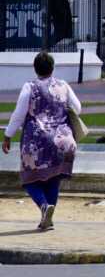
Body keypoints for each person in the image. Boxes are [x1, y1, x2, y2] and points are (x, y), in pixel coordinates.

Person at [3, 51, 81, 232]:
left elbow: (19, 114)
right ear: (52, 68)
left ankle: (44, 206)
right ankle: (47, 218)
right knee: (54, 178)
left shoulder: (29, 87)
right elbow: (78, 108)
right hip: (63, 141)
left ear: (35, 68)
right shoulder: (63, 85)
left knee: (29, 178)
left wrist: (8, 135)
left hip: (37, 142)